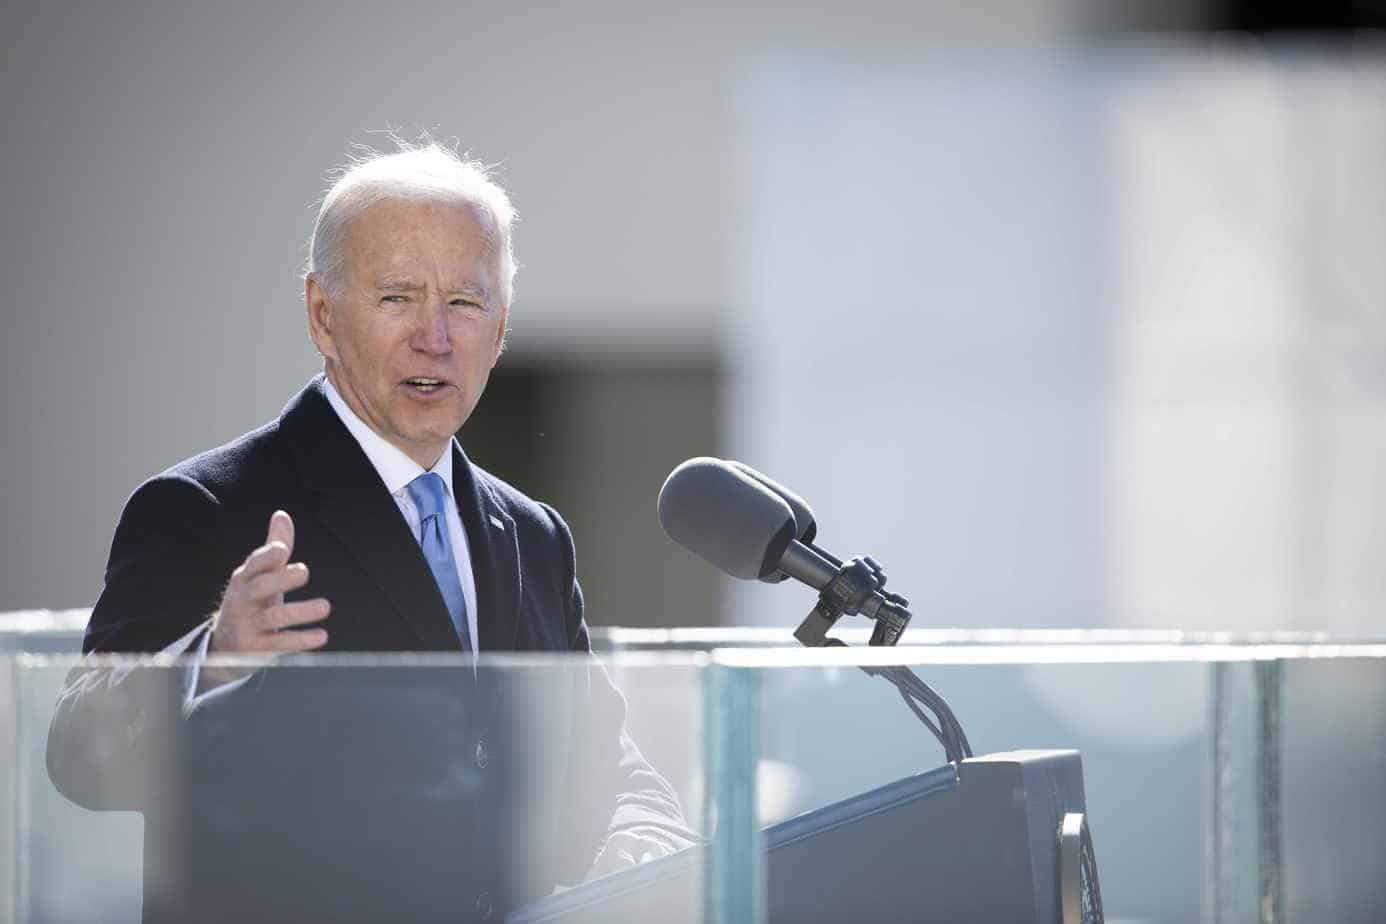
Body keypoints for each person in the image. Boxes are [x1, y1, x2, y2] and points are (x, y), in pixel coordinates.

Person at [46, 140, 693, 922]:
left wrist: (644, 825)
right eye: (397, 298)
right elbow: (77, 755)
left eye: (465, 302)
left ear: (502, 328)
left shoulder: (532, 534)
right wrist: (214, 660)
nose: (436, 337)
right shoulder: (203, 506)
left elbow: (598, 756)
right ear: (323, 314)